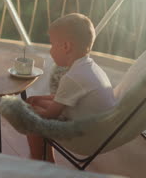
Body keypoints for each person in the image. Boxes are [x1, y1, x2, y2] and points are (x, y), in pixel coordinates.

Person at [25, 13, 115, 162]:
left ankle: (38, 163)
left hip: (87, 136)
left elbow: (50, 116)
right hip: (98, 127)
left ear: (66, 46)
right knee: (34, 103)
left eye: (52, 44)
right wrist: (38, 99)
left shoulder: (73, 78)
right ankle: (46, 159)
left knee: (30, 117)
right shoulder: (88, 68)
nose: (50, 50)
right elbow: (62, 99)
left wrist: (30, 111)